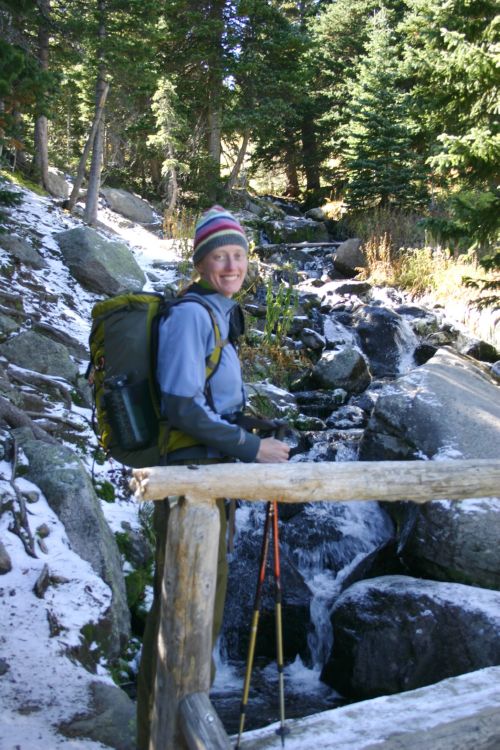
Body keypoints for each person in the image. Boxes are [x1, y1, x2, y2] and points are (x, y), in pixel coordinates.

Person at [136, 205, 289, 749]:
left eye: (238, 255)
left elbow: (210, 402)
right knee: (183, 607)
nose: (231, 266)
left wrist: (252, 426)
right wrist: (252, 448)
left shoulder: (221, 313)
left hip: (210, 473)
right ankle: (160, 734)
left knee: (202, 603)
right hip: (189, 482)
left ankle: (171, 729)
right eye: (219, 256)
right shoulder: (191, 316)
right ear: (200, 263)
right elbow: (181, 405)